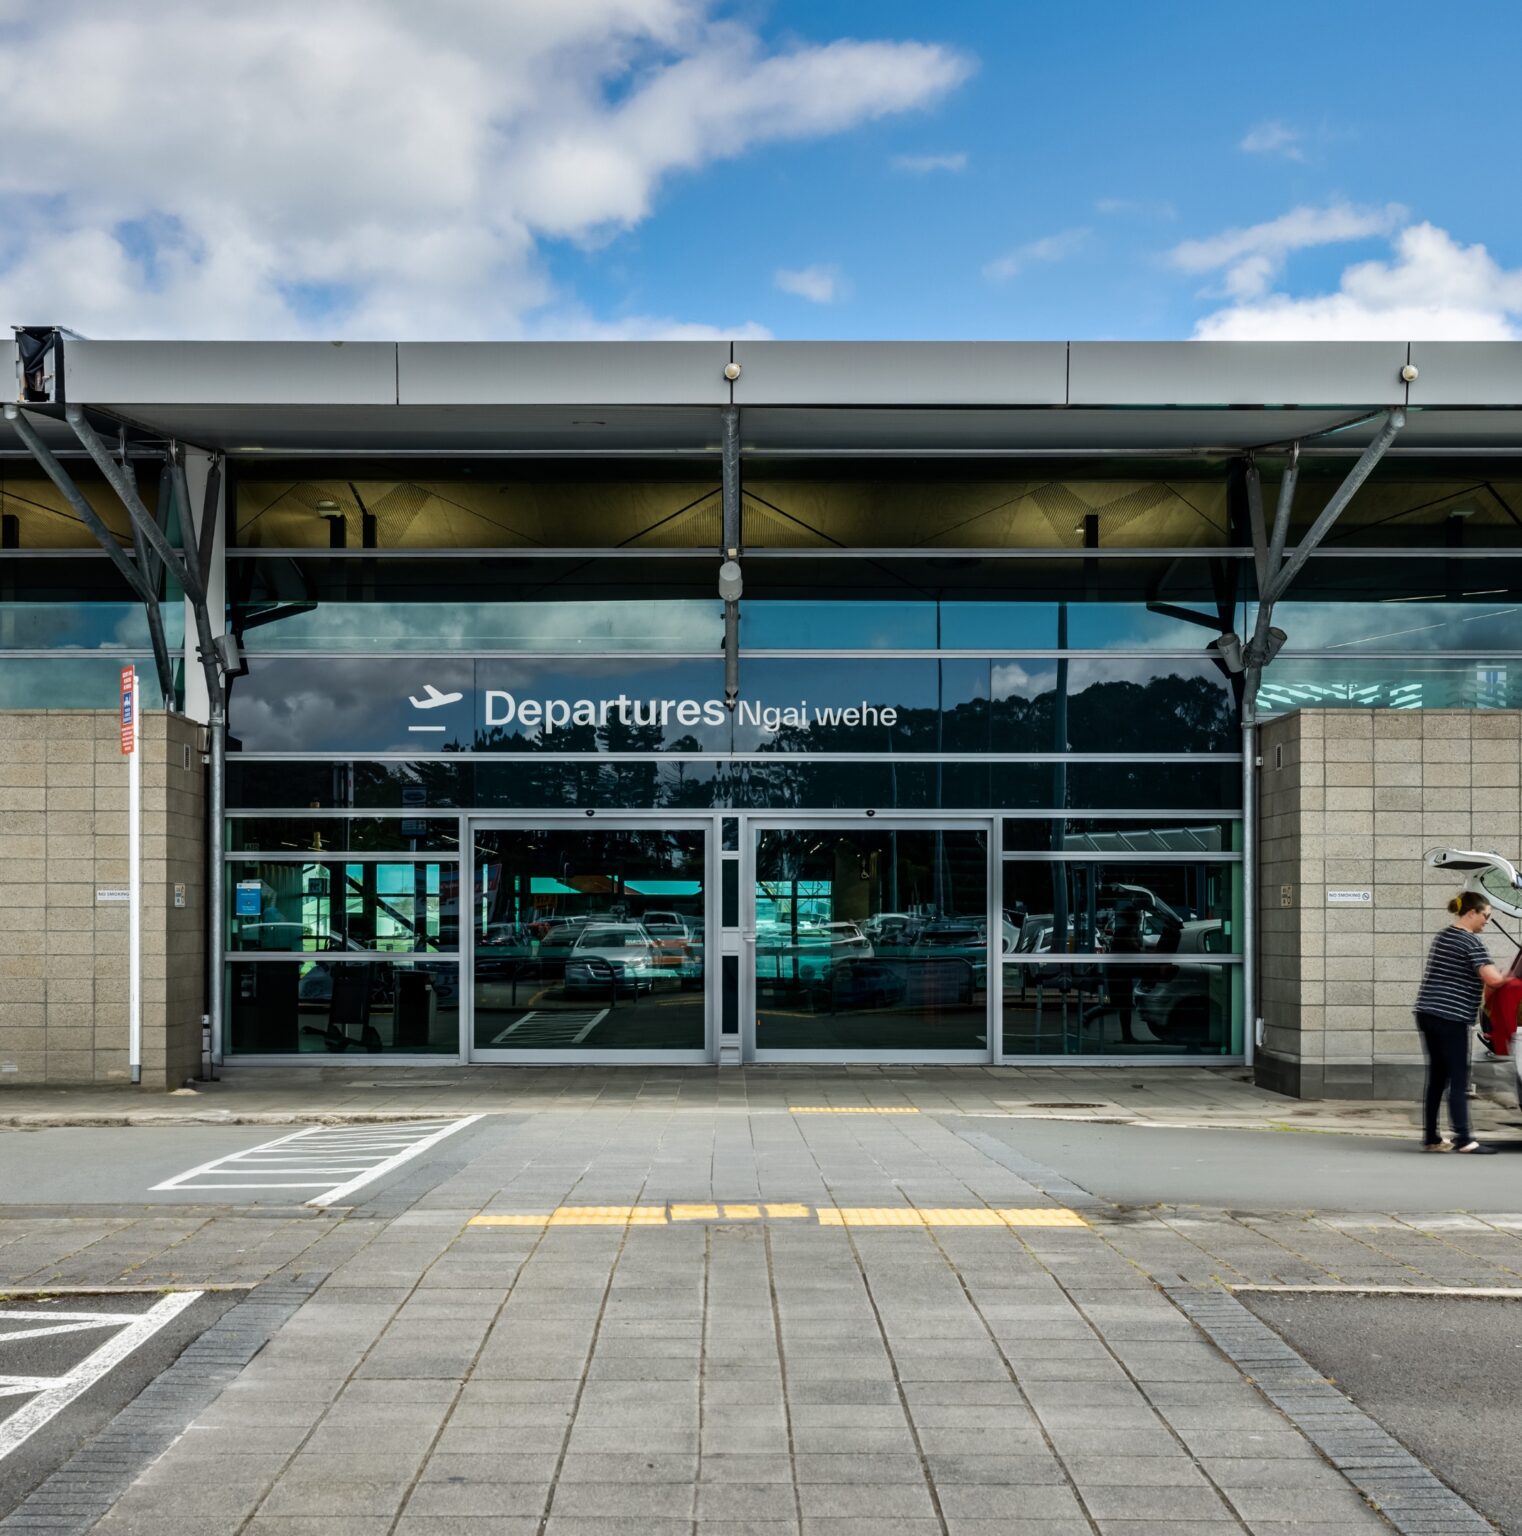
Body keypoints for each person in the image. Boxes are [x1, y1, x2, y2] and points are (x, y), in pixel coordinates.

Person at [1414, 891, 1507, 1153]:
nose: (1487, 921)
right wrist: (1510, 977)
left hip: (1427, 1012)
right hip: (1450, 1016)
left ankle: (1432, 1137)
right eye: (1486, 916)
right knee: (1458, 1076)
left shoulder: (1444, 936)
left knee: (1437, 1077)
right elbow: (1493, 979)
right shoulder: (1471, 942)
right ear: (1472, 913)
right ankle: (1465, 1139)